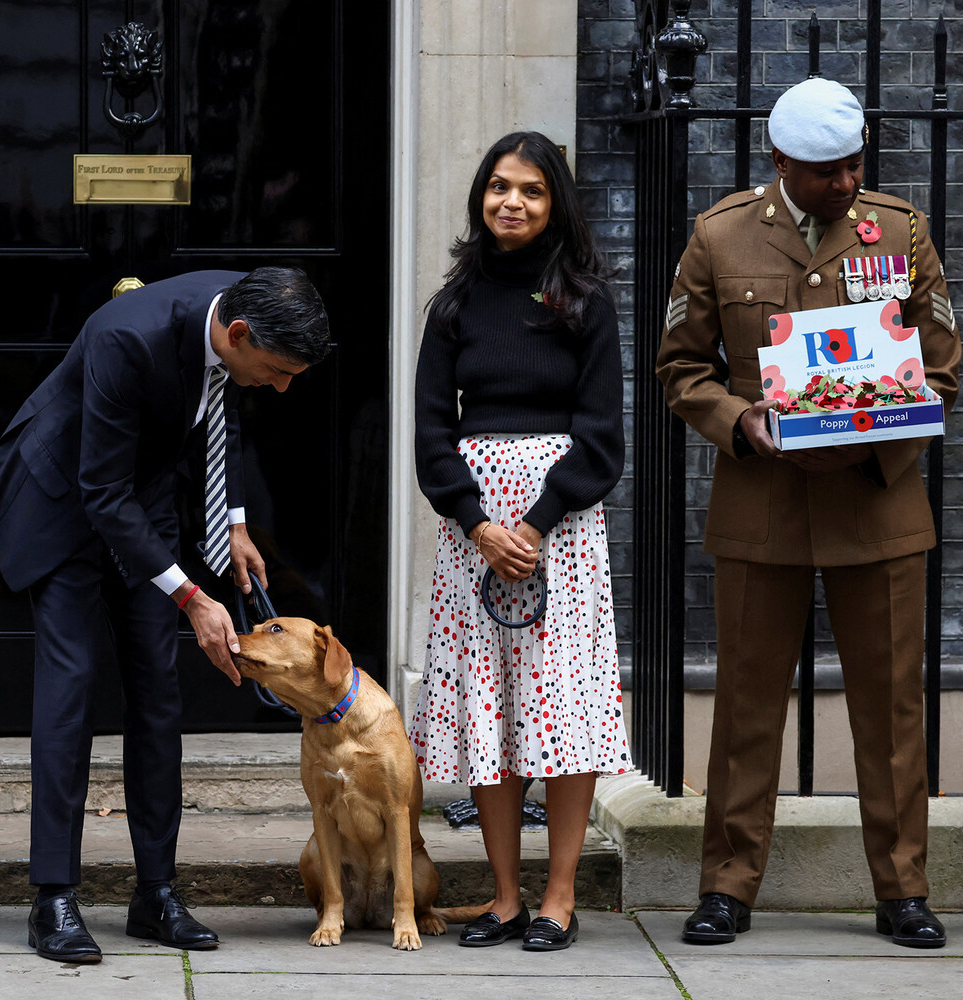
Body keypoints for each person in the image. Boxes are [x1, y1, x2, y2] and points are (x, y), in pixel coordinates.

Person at [656, 78, 959, 949]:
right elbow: (681, 367)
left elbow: (941, 365)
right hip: (765, 501)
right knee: (747, 706)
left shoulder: (898, 229)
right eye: (829, 170)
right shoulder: (720, 234)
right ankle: (727, 888)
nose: (848, 181)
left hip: (879, 501)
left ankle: (902, 891)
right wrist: (738, 421)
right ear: (783, 162)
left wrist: (884, 429)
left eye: (858, 162)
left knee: (894, 709)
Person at [0, 267, 331, 964]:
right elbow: (99, 491)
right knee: (69, 692)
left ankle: (155, 893)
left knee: (159, 694)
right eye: (279, 370)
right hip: (66, 500)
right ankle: (54, 899)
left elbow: (223, 411)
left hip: (143, 495)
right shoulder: (126, 338)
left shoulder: (242, 305)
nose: (282, 386)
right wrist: (190, 596)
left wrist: (237, 520)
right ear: (239, 334)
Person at [409, 131, 630, 953]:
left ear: (555, 204)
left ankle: (559, 896)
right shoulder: (456, 303)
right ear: (480, 198)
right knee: (488, 710)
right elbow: (433, 429)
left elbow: (603, 437)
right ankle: (504, 896)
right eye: (499, 187)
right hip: (475, 536)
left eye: (532, 191)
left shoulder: (585, 301)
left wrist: (534, 524)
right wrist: (477, 523)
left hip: (558, 535)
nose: (512, 202)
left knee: (562, 710)